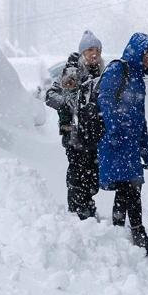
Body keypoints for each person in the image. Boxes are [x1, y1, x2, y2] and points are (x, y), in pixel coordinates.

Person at [97, 32, 148, 256]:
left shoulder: (138, 79)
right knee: (131, 189)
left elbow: (140, 117)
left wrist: (145, 147)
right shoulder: (118, 69)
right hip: (115, 142)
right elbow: (105, 102)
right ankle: (139, 238)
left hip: (129, 144)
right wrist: (114, 131)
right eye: (145, 55)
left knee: (127, 189)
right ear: (136, 51)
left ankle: (121, 235)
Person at [45, 30, 105, 220]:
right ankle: (77, 211)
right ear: (82, 54)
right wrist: (70, 105)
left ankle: (87, 206)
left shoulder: (103, 73)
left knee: (93, 175)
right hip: (74, 135)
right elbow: (50, 96)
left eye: (97, 50)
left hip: (94, 135)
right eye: (89, 50)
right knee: (78, 173)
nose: (94, 54)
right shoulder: (72, 72)